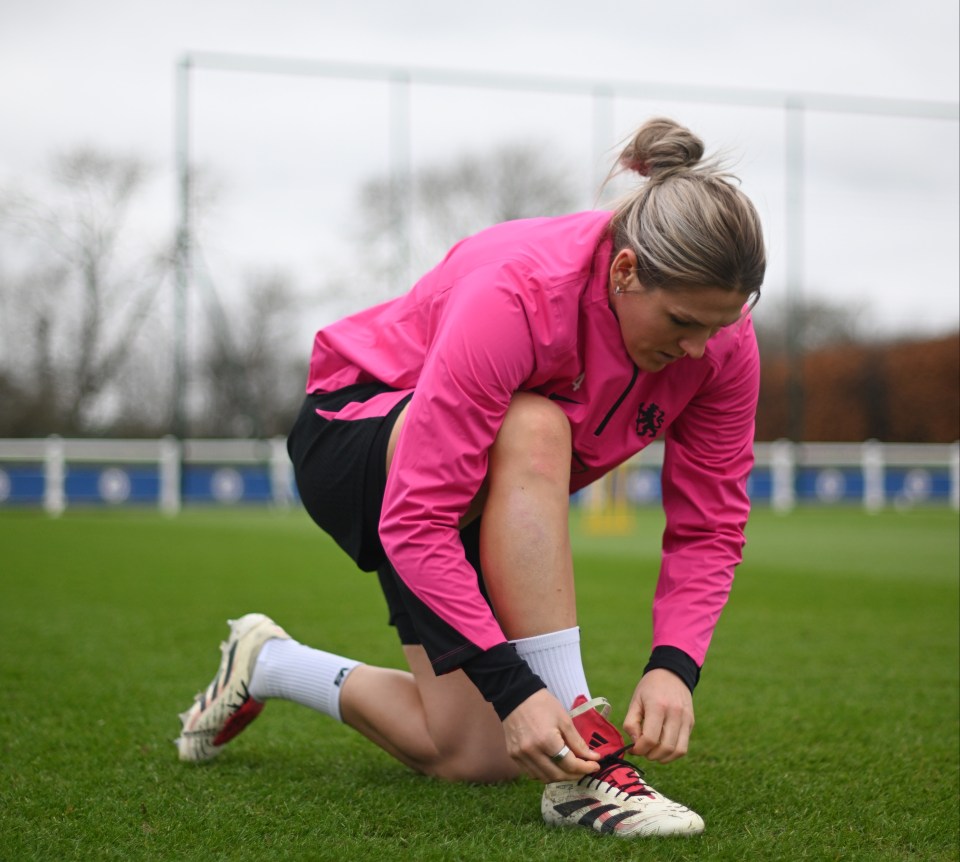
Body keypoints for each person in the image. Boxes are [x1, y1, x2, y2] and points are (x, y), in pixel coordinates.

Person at [176, 116, 766, 840]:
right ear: (624, 271)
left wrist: (675, 665)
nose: (700, 348)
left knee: (471, 754)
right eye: (681, 322)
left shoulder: (722, 345)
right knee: (535, 422)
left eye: (723, 324)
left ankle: (270, 663)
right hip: (357, 436)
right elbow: (417, 516)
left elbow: (710, 523)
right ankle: (592, 773)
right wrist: (520, 689)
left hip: (470, 488)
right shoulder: (518, 292)